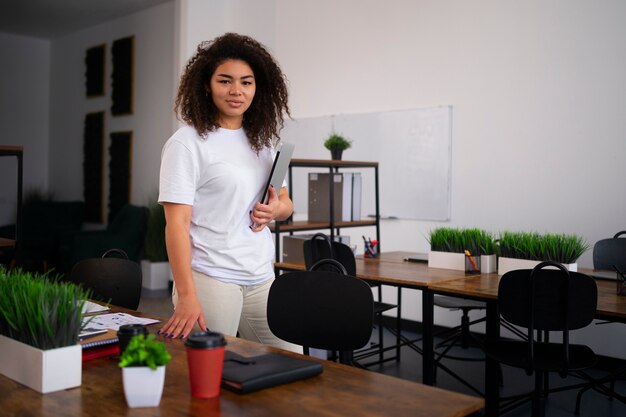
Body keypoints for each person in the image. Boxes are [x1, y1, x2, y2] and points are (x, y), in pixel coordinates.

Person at [157, 33, 298, 351]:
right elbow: (176, 225)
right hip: (211, 278)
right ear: (207, 85)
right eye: (225, 81)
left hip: (261, 277)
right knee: (212, 376)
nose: (237, 91)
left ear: (257, 88)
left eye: (246, 82)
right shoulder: (187, 143)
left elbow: (286, 202)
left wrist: (274, 210)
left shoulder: (263, 142)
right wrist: (187, 294)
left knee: (292, 363)